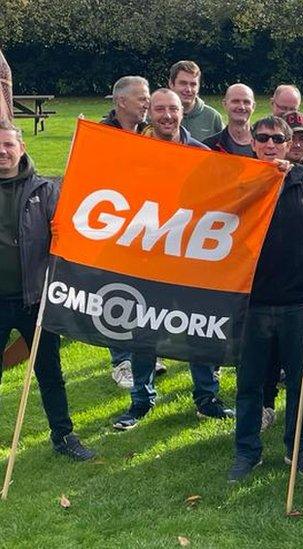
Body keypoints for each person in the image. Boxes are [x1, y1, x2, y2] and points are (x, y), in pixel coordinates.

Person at [112, 89, 234, 430]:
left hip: (191, 259)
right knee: (143, 332)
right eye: (160, 109)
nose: (167, 115)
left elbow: (219, 201)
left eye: (173, 109)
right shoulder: (135, 152)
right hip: (148, 257)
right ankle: (141, 400)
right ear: (149, 111)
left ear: (184, 112)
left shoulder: (202, 153)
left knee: (198, 329)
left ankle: (207, 398)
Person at [228, 115, 303, 482]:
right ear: (252, 143)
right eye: (263, 138)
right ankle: (246, 451)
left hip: (298, 301)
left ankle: (300, 448)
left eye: (277, 139)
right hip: (252, 302)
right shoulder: (237, 182)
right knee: (249, 384)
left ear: (288, 144)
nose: (270, 145)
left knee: (301, 383)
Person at [0, 119, 95, 461]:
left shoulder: (45, 190)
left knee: (50, 373)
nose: (3, 151)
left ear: (21, 148)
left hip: (35, 300)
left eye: (9, 145)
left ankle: (63, 436)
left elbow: (68, 239)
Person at [99, 76, 167, 387]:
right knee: (119, 292)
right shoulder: (101, 135)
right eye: (142, 98)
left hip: (147, 225)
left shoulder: (150, 133)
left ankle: (147, 353)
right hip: (114, 226)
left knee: (148, 293)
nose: (147, 103)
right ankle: (121, 361)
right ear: (121, 102)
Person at [167, 60, 223, 141]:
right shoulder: (158, 115)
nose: (188, 89)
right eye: (183, 83)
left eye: (193, 84)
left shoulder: (213, 117)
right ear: (171, 84)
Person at [203, 83, 255, 156]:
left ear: (253, 107)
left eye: (246, 102)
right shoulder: (209, 146)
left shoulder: (266, 144)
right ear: (225, 104)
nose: (241, 107)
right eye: (235, 101)